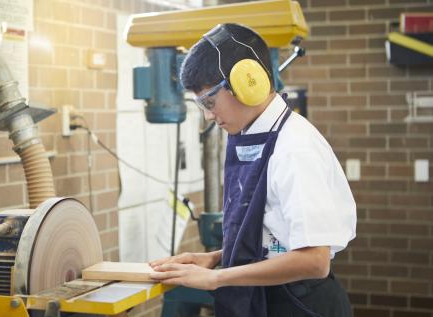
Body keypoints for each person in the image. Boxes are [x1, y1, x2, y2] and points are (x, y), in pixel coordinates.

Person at [149, 23, 356, 317]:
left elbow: (314, 261)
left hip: (299, 304)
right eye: (200, 105)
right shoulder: (255, 135)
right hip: (268, 295)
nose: (208, 116)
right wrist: (214, 258)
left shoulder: (294, 148)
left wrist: (217, 278)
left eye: (210, 101)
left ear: (248, 83)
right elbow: (275, 239)